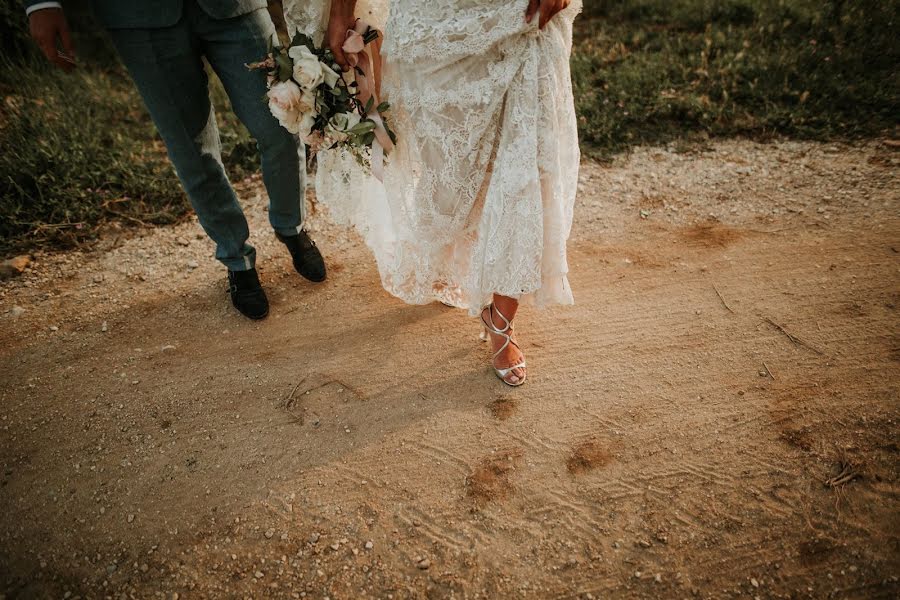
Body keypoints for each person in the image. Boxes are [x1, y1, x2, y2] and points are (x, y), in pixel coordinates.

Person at [303, 0, 580, 386]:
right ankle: (458, 263)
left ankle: (501, 317)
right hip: (435, 21)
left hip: (522, 14)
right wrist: (338, 13)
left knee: (528, 167)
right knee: (447, 171)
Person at [25, 0, 327, 320]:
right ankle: (236, 258)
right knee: (191, 148)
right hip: (138, 16)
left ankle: (291, 226)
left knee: (282, 122)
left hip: (235, 6)